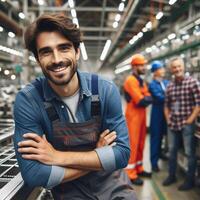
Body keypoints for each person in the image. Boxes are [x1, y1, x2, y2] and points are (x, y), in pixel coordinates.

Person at [13, 13, 137, 199]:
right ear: (38, 59)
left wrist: (58, 157)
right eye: (46, 52)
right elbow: (34, 174)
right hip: (68, 191)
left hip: (113, 187)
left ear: (77, 51)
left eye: (64, 48)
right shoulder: (29, 100)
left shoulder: (104, 91)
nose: (56, 59)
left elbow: (121, 155)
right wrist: (98, 156)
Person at [163, 57, 200, 191]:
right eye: (174, 67)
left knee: (190, 153)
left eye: (179, 66)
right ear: (171, 69)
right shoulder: (170, 86)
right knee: (172, 151)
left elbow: (198, 104)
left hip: (187, 125)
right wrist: (168, 119)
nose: (177, 69)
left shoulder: (193, 83)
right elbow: (166, 105)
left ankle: (190, 180)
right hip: (173, 124)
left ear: (183, 67)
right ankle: (171, 175)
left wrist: (190, 119)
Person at [123, 54, 152, 185]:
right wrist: (146, 98)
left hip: (141, 116)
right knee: (133, 144)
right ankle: (130, 173)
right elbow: (141, 100)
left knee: (141, 142)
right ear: (134, 67)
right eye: (141, 65)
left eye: (144, 65)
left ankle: (139, 168)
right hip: (133, 117)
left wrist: (146, 98)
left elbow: (148, 96)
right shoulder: (131, 80)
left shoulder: (140, 81)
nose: (143, 67)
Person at [149, 60, 169, 172]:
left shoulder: (166, 82)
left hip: (166, 113)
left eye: (162, 68)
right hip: (157, 114)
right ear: (155, 71)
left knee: (163, 136)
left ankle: (161, 153)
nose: (163, 70)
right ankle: (154, 163)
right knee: (156, 138)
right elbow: (161, 97)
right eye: (160, 69)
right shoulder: (152, 85)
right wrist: (170, 96)